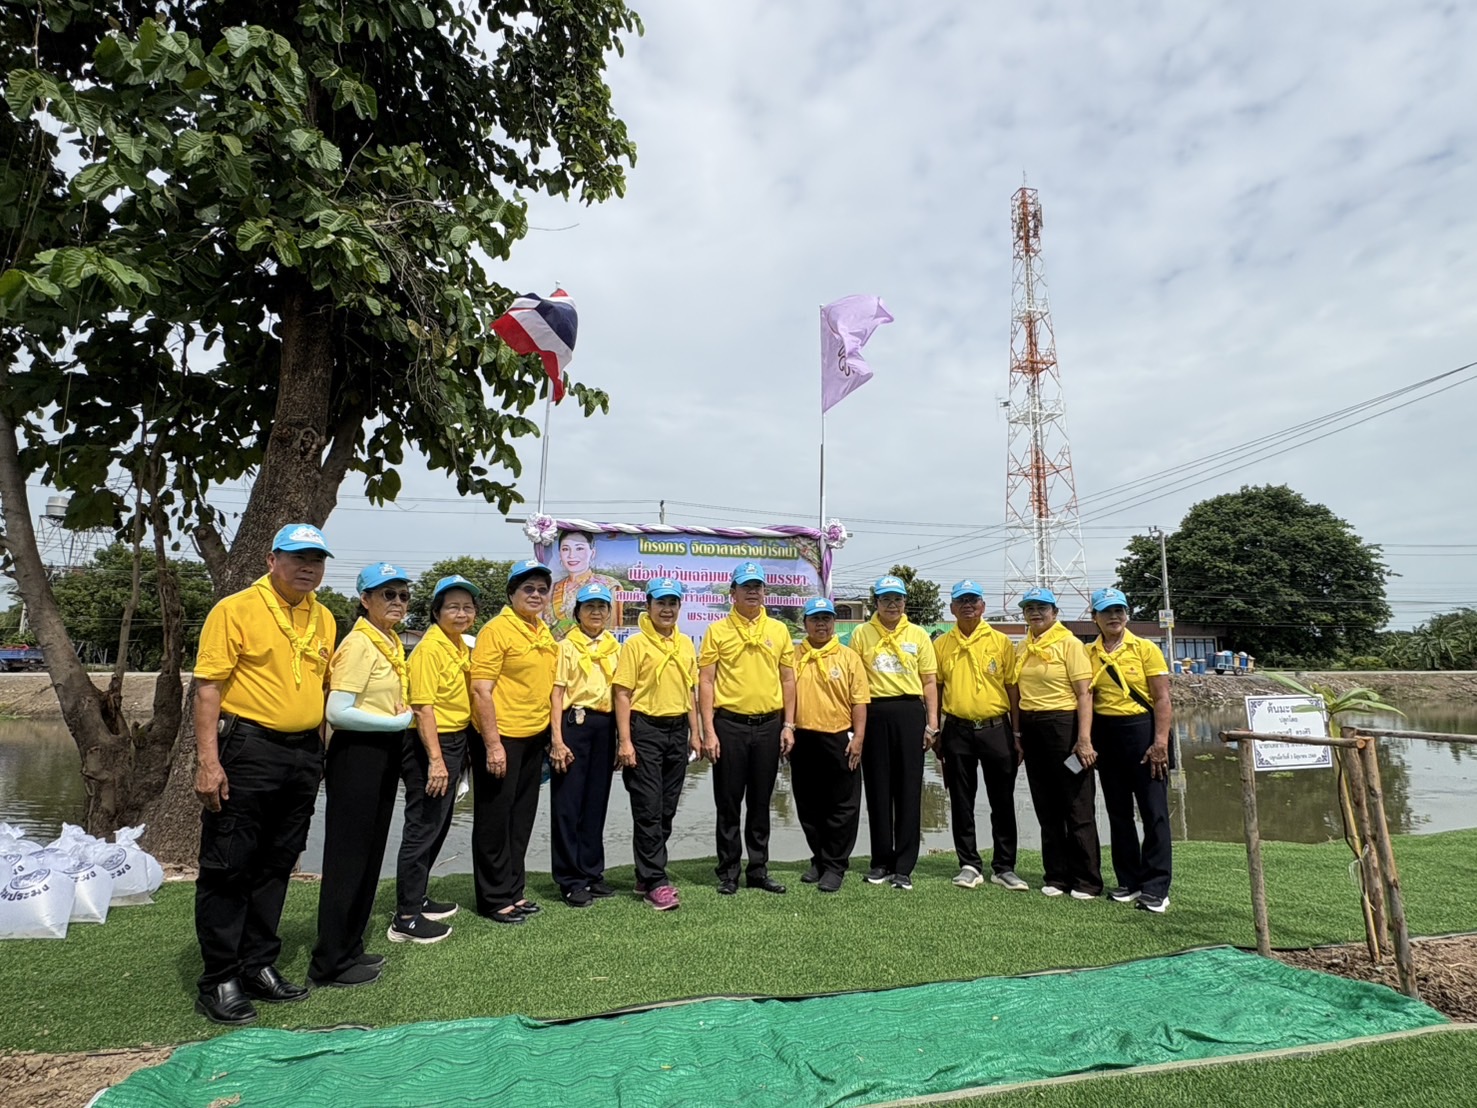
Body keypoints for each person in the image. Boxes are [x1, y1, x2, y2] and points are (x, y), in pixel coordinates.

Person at [191, 523, 337, 1024]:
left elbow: (321, 690)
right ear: (273, 559)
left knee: (278, 861)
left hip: (301, 753)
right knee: (229, 862)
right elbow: (208, 688)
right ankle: (220, 978)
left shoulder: (323, 617)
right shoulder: (235, 609)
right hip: (248, 747)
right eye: (298, 557)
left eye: (316, 559)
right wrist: (208, 761)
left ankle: (258, 965)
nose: (308, 567)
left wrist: (319, 756)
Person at [309, 563, 415, 987]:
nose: (396, 602)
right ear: (364, 599)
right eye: (386, 594)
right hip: (358, 755)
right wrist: (397, 723)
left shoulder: (387, 642)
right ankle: (329, 960)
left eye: (403, 595)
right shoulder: (357, 645)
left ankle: (350, 946)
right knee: (348, 858)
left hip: (381, 753)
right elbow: (337, 711)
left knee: (370, 854)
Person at [698, 561, 796, 896]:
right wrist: (707, 730)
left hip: (769, 726)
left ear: (764, 591)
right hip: (729, 726)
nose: (753, 592)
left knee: (760, 801)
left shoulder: (779, 630)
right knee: (728, 802)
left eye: (758, 586)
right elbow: (706, 681)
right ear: (733, 593)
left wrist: (789, 725)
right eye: (746, 586)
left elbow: (787, 680)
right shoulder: (718, 631)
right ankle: (728, 871)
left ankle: (757, 869)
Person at [392, 574, 480, 943]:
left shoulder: (458, 646)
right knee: (423, 826)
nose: (461, 614)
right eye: (453, 607)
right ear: (436, 611)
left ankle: (419, 896)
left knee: (439, 823)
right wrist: (437, 761)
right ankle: (406, 917)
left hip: (454, 739)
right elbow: (423, 707)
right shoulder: (430, 649)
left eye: (467, 607)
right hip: (432, 742)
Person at [469, 559, 557, 925]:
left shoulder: (542, 631)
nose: (536, 595)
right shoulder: (497, 630)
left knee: (520, 819)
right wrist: (492, 744)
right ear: (511, 594)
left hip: (534, 737)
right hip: (501, 737)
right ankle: (493, 898)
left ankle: (514, 890)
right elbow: (480, 689)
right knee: (494, 819)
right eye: (528, 589)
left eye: (541, 589)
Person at [612, 577, 701, 911]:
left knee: (666, 808)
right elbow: (622, 693)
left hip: (677, 730)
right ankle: (655, 881)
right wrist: (625, 741)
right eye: (661, 603)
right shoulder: (635, 645)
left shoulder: (685, 643)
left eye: (673, 603)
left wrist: (696, 732)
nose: (667, 609)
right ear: (648, 606)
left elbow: (689, 691)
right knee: (648, 807)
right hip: (644, 729)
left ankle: (645, 872)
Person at [933, 579, 1028, 892]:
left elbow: (1012, 688)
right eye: (962, 601)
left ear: (983, 606)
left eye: (973, 600)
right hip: (957, 729)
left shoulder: (1000, 642)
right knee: (961, 800)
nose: (968, 605)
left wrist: (1016, 732)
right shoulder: (942, 644)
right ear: (952, 608)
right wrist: (934, 727)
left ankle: (1004, 867)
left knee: (1002, 800)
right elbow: (937, 688)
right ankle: (969, 864)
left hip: (996, 729)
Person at [849, 574, 939, 890]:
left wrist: (932, 723)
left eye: (897, 599)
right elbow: (856, 682)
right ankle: (880, 862)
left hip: (910, 713)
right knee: (878, 790)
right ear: (876, 602)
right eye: (886, 599)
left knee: (909, 790)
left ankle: (904, 867)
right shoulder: (862, 634)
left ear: (904, 602)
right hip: (874, 713)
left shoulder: (918, 635)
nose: (892, 604)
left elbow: (929, 682)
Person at [1086, 587, 1173, 913]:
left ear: (1127, 614)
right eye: (1107, 611)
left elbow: (1162, 698)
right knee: (1118, 812)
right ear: (1094, 617)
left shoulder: (1145, 648)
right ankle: (1130, 880)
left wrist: (1160, 742)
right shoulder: (1089, 652)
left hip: (1144, 731)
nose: (1114, 617)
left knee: (1154, 812)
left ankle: (1157, 887)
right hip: (1107, 734)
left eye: (1119, 610)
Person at [1014, 586, 1102, 900]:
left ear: (1055, 612)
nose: (1035, 613)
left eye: (1042, 608)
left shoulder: (1069, 644)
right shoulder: (1023, 646)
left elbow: (1084, 694)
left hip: (1064, 725)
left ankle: (1087, 879)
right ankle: (1057, 875)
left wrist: (1084, 739)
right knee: (1046, 805)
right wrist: (1018, 735)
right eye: (1029, 608)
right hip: (1033, 726)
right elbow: (1017, 692)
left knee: (1076, 805)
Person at [789, 597, 869, 893]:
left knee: (842, 805)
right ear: (805, 623)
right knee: (809, 804)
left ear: (833, 622)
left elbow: (860, 701)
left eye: (826, 619)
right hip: (804, 737)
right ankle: (819, 859)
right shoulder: (794, 655)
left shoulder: (848, 657)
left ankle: (835, 864)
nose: (821, 624)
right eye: (815, 619)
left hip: (840, 736)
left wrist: (859, 737)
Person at [549, 581, 621, 908]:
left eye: (601, 607)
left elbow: (622, 695)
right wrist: (556, 739)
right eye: (589, 606)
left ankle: (592, 873)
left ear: (608, 612)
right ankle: (570, 879)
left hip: (605, 727)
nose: (596, 612)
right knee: (568, 805)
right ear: (577, 612)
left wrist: (622, 737)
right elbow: (557, 694)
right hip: (573, 725)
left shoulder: (615, 647)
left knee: (596, 803)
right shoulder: (565, 646)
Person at [546, 530, 623, 634]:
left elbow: (612, 631)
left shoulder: (609, 585)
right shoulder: (551, 589)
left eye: (579, 548)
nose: (571, 555)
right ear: (560, 554)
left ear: (593, 553)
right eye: (565, 549)